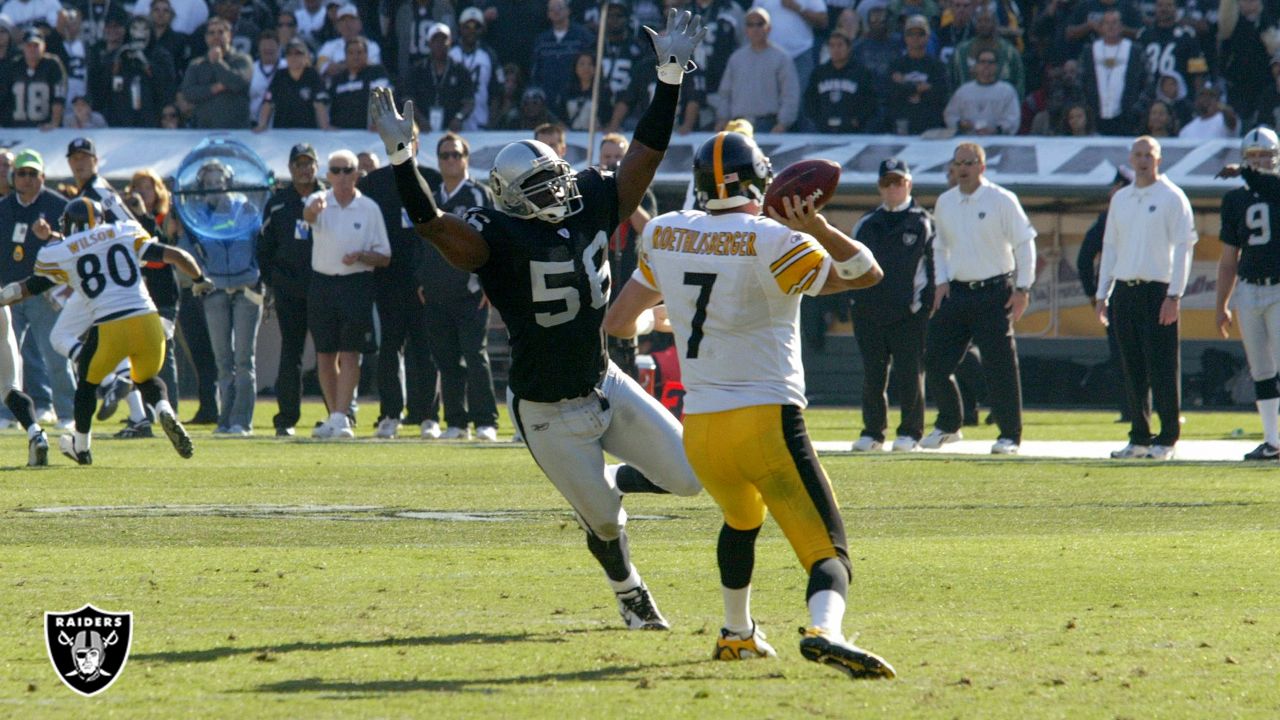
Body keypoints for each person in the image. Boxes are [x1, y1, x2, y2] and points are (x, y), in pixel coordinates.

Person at [368, 7, 706, 630]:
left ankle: (615, 478)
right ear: (513, 199)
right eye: (546, 188)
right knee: (605, 521)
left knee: (692, 477)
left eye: (559, 180)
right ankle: (629, 591)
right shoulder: (492, 236)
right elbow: (432, 225)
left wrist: (670, 78)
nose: (563, 192)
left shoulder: (588, 200)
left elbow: (647, 153)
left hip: (604, 381)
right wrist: (401, 162)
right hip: (547, 411)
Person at [601, 131, 894, 679]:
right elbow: (865, 274)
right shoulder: (772, 239)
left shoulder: (665, 232)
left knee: (741, 519)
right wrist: (819, 227)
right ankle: (824, 631)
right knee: (828, 550)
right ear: (760, 181)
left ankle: (738, 634)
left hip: (702, 430)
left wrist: (670, 314)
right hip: (765, 420)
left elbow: (618, 323)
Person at [0, 197, 208, 465]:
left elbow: (28, 288)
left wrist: (3, 297)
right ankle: (164, 409)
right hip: (148, 321)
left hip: (110, 326)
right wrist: (201, 280)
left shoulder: (61, 250)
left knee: (86, 385)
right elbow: (177, 255)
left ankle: (82, 448)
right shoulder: (123, 230)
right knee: (146, 378)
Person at [925, 142, 1037, 454]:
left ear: (982, 167)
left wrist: (1023, 289)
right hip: (957, 292)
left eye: (969, 163)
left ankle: (1009, 435)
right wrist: (941, 282)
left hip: (994, 292)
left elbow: (1025, 244)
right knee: (934, 360)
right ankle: (949, 423)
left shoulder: (1002, 199)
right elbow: (939, 246)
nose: (962, 168)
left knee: (999, 365)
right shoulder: (945, 202)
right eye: (958, 163)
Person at [1095, 136, 1197, 460]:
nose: (1143, 161)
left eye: (1148, 155)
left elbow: (1184, 249)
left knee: (1162, 366)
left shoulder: (1172, 197)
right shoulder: (1121, 199)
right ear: (1130, 158)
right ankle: (1139, 436)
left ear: (1159, 159)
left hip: (1158, 290)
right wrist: (1102, 293)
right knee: (1132, 366)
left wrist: (1174, 295)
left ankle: (1167, 438)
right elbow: (1110, 247)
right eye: (1137, 155)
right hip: (1125, 289)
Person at [357, 134, 446, 440]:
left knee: (425, 349)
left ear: (418, 144)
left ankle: (428, 416)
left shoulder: (432, 179)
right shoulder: (373, 183)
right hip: (387, 278)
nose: (404, 144)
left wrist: (432, 275)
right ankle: (390, 413)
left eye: (409, 139)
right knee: (389, 348)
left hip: (425, 279)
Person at [417, 132, 500, 441]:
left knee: (476, 357)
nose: (450, 160)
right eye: (444, 155)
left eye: (456, 154)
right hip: (436, 291)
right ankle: (456, 421)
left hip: (471, 292)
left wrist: (489, 283)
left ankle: (486, 421)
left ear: (466, 158)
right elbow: (421, 242)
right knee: (446, 359)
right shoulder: (430, 195)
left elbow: (493, 240)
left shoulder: (479, 195)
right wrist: (421, 280)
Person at [303, 149, 390, 439]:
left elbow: (384, 256)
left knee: (350, 352)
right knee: (325, 354)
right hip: (322, 283)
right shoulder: (318, 201)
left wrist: (363, 256)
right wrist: (313, 211)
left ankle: (341, 415)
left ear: (356, 174)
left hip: (356, 284)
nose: (341, 176)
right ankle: (335, 415)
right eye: (335, 170)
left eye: (346, 170)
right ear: (328, 175)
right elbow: (308, 216)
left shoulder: (369, 208)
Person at [850, 159, 934, 453]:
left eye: (898, 182)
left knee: (910, 374)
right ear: (879, 187)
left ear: (909, 184)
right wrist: (855, 303)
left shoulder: (923, 221)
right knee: (873, 375)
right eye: (887, 182)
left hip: (908, 315)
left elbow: (935, 270)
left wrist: (923, 309)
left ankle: (911, 433)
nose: (893, 188)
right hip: (869, 313)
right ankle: (873, 432)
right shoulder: (867, 222)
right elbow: (849, 265)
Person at [1215, 128, 1280, 460]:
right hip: (1249, 288)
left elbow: (1268, 186)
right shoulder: (1235, 200)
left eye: (1264, 156)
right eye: (1252, 158)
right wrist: (1221, 304)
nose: (1258, 163)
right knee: (1261, 369)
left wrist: (1242, 171)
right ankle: (1273, 441)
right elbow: (1228, 260)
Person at [0, 149, 73, 428]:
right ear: (13, 177)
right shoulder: (4, 207)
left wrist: (52, 235)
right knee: (7, 357)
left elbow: (77, 243)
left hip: (45, 289)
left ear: (42, 176)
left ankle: (67, 413)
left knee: (55, 353)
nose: (27, 179)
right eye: (22, 173)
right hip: (8, 293)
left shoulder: (59, 206)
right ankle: (10, 413)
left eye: (33, 174)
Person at [259, 143, 323, 437]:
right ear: (290, 168)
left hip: (326, 284)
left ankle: (339, 414)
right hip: (290, 287)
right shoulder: (278, 203)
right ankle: (286, 417)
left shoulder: (331, 197)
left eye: (309, 163)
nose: (304, 169)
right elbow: (264, 246)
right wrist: (271, 282)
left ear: (317, 167)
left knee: (329, 351)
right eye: (298, 164)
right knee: (291, 352)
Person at [1076, 167, 1134, 423]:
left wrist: (1094, 293)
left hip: (1120, 293)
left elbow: (1084, 260)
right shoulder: (1108, 219)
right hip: (1126, 291)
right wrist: (1094, 293)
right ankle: (1139, 410)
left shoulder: (1109, 218)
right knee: (1135, 354)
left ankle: (1131, 410)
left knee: (1125, 354)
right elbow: (1084, 260)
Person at [714, 8, 799, 133]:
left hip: (768, 125)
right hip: (737, 125)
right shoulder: (736, 58)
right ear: (746, 30)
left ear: (768, 28)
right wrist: (722, 119)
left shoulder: (782, 58)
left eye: (760, 24)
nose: (755, 28)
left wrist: (783, 123)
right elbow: (725, 93)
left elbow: (790, 94)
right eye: (750, 24)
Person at [1079, 9, 1146, 136]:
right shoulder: (1090, 51)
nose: (1110, 26)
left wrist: (1135, 108)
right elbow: (1081, 80)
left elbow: (1145, 80)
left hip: (1126, 119)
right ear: (1101, 27)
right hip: (1095, 117)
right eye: (1107, 23)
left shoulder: (1134, 50)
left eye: (1114, 22)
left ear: (1121, 26)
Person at [178, 17, 252, 128]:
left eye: (221, 32)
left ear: (229, 36)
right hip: (203, 130)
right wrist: (214, 88)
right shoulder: (196, 64)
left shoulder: (242, 59)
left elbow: (238, 83)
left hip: (237, 130)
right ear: (206, 38)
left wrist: (217, 62)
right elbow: (188, 93)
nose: (216, 36)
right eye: (211, 33)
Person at [803, 30, 877, 133]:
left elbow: (870, 101)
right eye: (832, 46)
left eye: (840, 45)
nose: (836, 50)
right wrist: (818, 120)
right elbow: (810, 100)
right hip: (823, 131)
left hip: (854, 132)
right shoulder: (819, 73)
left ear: (849, 47)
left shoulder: (861, 73)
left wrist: (858, 120)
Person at [254, 37, 330, 130]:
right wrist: (262, 125)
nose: (293, 57)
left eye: (298, 53)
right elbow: (268, 103)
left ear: (306, 56)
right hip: (281, 132)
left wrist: (325, 126)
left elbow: (320, 104)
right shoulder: (280, 75)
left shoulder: (313, 75)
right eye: (289, 54)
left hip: (308, 132)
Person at [944, 48, 1021, 135]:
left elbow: (1013, 119)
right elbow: (950, 115)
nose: (986, 65)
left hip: (997, 141)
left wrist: (996, 130)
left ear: (997, 66)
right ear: (976, 66)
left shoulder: (1007, 91)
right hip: (968, 141)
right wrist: (960, 124)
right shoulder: (963, 91)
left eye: (991, 62)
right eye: (982, 62)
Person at [3, 28, 66, 129]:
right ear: (23, 47)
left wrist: (54, 123)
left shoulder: (52, 65)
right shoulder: (13, 66)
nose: (32, 49)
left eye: (36, 45)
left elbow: (58, 97)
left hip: (43, 128)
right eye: (29, 45)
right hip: (16, 128)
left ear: (43, 46)